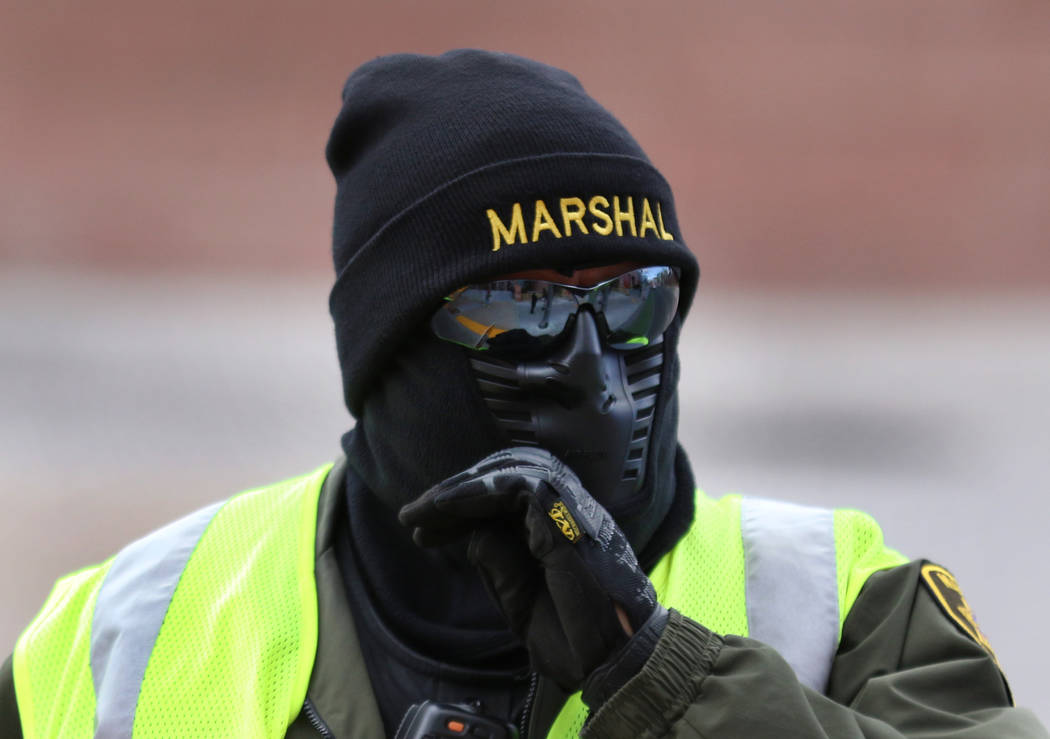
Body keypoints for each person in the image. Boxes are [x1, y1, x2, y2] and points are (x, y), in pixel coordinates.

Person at [1, 50, 1045, 739]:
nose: (597, 369)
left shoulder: (847, 607)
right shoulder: (117, 639)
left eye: (636, 302)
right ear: (388, 354)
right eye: (525, 307)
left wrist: (664, 677)